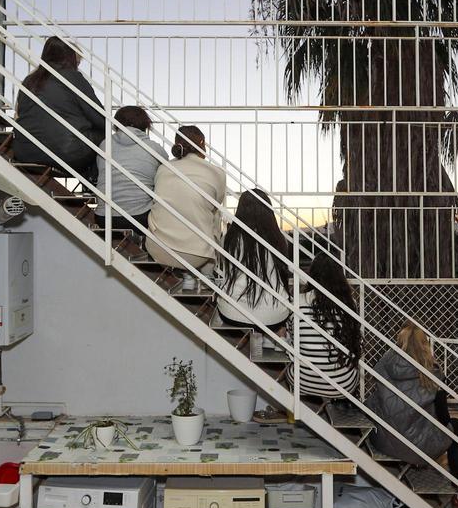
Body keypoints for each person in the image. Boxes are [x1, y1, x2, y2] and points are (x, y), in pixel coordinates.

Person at [369, 324, 458, 508]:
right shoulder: (433, 373)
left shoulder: (383, 365)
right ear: (425, 345)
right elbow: (443, 420)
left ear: (398, 343)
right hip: (414, 446)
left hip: (382, 441)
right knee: (457, 428)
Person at [13, 36, 106, 181]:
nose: (78, 65)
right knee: (103, 134)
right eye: (77, 61)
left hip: (25, 150)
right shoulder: (72, 78)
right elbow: (101, 118)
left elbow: (19, 113)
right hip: (66, 152)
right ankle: (92, 182)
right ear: (69, 58)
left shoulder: (29, 81)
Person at [147, 126, 227, 272]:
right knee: (215, 212)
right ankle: (207, 273)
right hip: (196, 255)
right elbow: (217, 201)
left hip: (157, 248)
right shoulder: (217, 172)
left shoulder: (163, 168)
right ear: (202, 143)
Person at [286, 252, 361, 399]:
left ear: (312, 276)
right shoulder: (350, 304)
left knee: (288, 355)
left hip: (303, 381)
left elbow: (291, 333)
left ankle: (295, 408)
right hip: (343, 385)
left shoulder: (298, 302)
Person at [215, 189, 292, 330]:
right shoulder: (279, 240)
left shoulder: (228, 239)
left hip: (232, 312)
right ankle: (270, 338)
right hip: (274, 314)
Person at [94, 105, 166, 241]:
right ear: (145, 125)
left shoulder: (104, 145)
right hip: (139, 218)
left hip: (104, 217)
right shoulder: (155, 149)